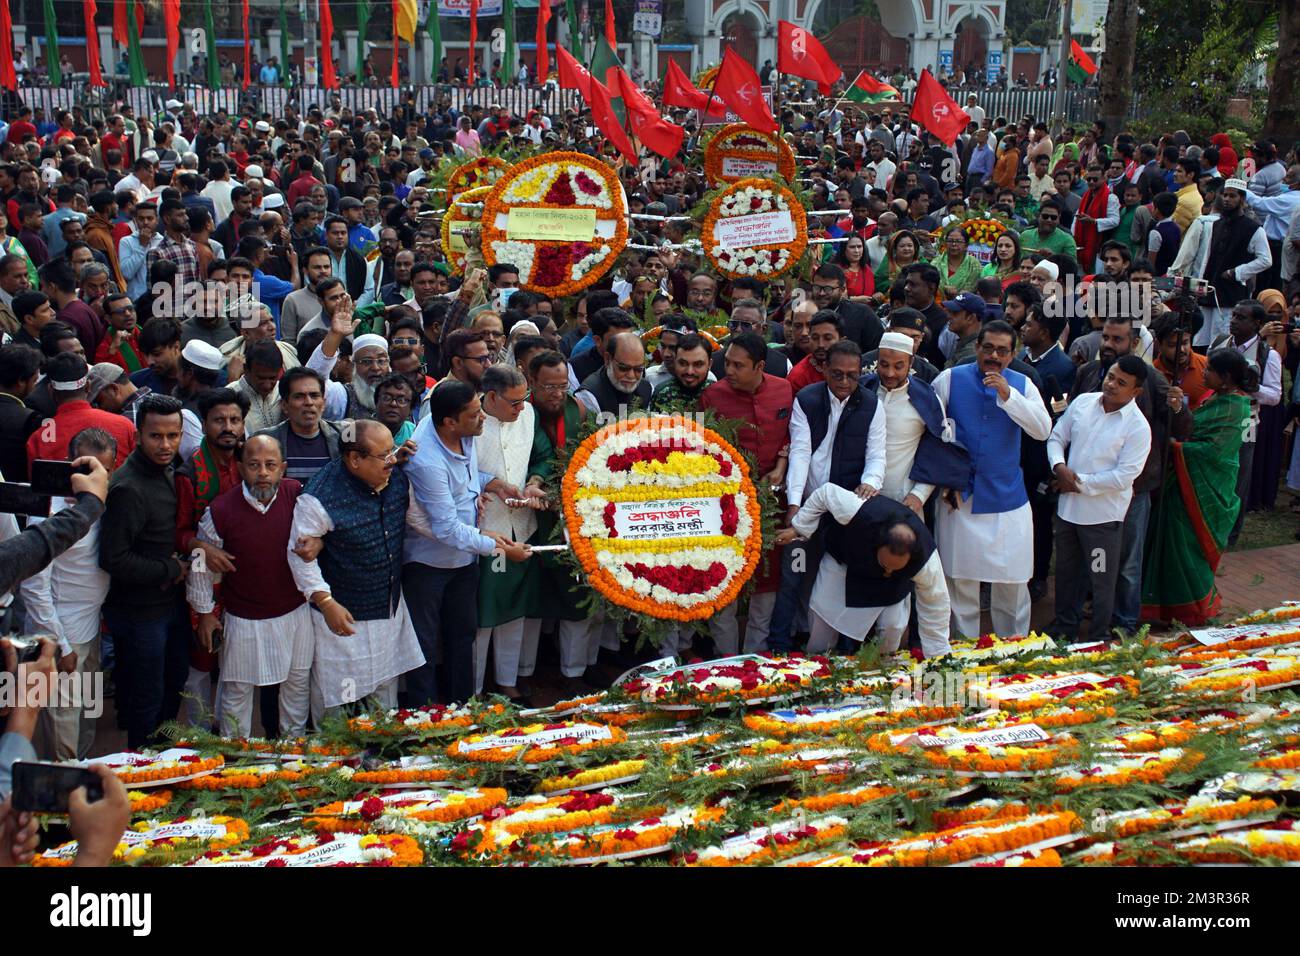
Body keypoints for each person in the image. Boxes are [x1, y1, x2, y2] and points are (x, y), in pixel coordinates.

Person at [403, 381, 530, 705]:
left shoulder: (462, 433)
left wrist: (495, 483)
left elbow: (469, 473)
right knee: (425, 645)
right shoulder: (427, 460)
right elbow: (446, 529)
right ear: (449, 422)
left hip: (463, 562)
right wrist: (500, 547)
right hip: (428, 566)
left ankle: (462, 710)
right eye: (475, 415)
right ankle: (423, 717)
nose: (483, 419)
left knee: (462, 637)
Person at [288, 419, 425, 718]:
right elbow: (300, 557)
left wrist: (481, 538)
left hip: (388, 606)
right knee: (338, 696)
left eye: (394, 450)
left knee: (383, 688)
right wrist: (325, 602)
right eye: (385, 454)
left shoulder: (398, 479)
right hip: (343, 613)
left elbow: (420, 522)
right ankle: (337, 760)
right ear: (354, 459)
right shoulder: (318, 497)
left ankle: (380, 752)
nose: (394, 459)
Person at [932, 320, 1052, 639]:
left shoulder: (1023, 385)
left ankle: (1012, 652)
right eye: (988, 348)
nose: (994, 356)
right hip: (959, 498)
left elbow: (1042, 430)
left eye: (1002, 350)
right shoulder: (949, 380)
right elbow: (931, 435)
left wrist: (1008, 394)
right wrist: (944, 481)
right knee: (960, 587)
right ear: (977, 348)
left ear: (1013, 354)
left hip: (1007, 500)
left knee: (1012, 585)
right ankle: (962, 655)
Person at [187, 434, 313, 738]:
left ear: (283, 468)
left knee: (297, 685)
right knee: (237, 689)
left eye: (270, 465)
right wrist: (205, 613)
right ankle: (235, 759)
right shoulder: (220, 510)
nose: (263, 473)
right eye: (254, 465)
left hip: (294, 612)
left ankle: (293, 755)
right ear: (241, 468)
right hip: (243, 616)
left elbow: (320, 530)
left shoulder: (296, 495)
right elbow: (201, 565)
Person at [98, 394, 192, 748]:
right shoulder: (127, 487)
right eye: (156, 436)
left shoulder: (169, 469)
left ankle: (163, 762)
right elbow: (113, 558)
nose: (166, 444)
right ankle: (141, 776)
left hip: (169, 607)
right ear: (138, 436)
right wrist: (170, 568)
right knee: (145, 700)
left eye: (173, 435)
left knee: (172, 686)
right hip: (138, 614)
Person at [17, 430, 116, 759]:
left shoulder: (103, 500)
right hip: (59, 635)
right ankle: (64, 790)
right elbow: (33, 586)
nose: (94, 477)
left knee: (86, 715)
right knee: (63, 722)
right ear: (68, 464)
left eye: (103, 470)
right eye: (87, 468)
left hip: (90, 631)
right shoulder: (49, 510)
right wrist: (62, 645)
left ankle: (82, 778)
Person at [1141, 348, 1254, 625]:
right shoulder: (1214, 397)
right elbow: (1193, 427)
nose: (1204, 373)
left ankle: (1191, 609)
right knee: (1167, 543)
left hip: (1203, 488)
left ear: (1226, 378)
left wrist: (1176, 447)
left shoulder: (1236, 407)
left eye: (1210, 370)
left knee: (1186, 546)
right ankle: (1162, 606)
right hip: (1181, 484)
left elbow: (1215, 452)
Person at [699, 333, 793, 654]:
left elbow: (796, 436)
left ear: (760, 366)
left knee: (766, 583)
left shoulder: (784, 390)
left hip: (773, 506)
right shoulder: (712, 397)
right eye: (727, 363)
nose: (730, 370)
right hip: (726, 507)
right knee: (724, 581)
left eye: (739, 365)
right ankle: (725, 660)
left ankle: (756, 660)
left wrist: (782, 462)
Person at [1047, 355, 1152, 642]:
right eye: (1111, 377)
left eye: (1121, 383)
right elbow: (1057, 437)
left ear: (1136, 392)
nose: (1111, 385)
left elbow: (1123, 476)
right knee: (1068, 575)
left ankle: (1096, 638)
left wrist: (1077, 483)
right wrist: (1059, 466)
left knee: (1100, 578)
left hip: (1102, 520)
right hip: (1069, 513)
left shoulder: (1137, 427)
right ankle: (1065, 630)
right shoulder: (1083, 403)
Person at [775, 489, 952, 657]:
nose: (887, 571)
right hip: (846, 563)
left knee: (893, 628)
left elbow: (936, 604)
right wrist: (798, 528)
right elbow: (825, 493)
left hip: (892, 587)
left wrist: (938, 656)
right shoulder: (860, 510)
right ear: (879, 543)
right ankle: (816, 664)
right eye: (885, 564)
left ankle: (881, 668)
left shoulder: (926, 559)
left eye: (895, 567)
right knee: (822, 624)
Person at [472, 365, 544, 702]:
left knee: (514, 609)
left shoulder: (528, 414)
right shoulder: (469, 420)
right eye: (514, 402)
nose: (521, 407)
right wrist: (492, 483)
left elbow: (542, 455)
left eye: (524, 400)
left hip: (521, 527)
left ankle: (508, 683)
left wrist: (535, 483)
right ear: (490, 398)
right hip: (483, 532)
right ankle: (473, 689)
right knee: (482, 614)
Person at [26, 352, 136, 469]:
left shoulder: (39, 438)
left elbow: (36, 484)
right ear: (88, 386)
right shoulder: (124, 426)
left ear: (51, 390)